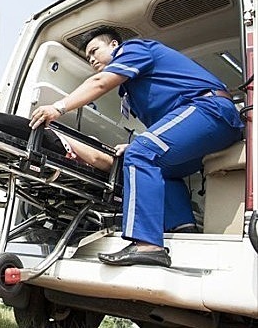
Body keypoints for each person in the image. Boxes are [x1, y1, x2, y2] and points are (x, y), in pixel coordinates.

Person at [30, 26, 243, 267]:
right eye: (88, 57)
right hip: (202, 121)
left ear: (113, 45)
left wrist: (58, 107)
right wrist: (137, 143)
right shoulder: (132, 90)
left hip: (210, 110)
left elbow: (100, 83)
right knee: (159, 167)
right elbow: (167, 127)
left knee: (141, 154)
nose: (91, 59)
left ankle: (147, 245)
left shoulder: (134, 49)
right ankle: (184, 226)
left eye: (94, 51)